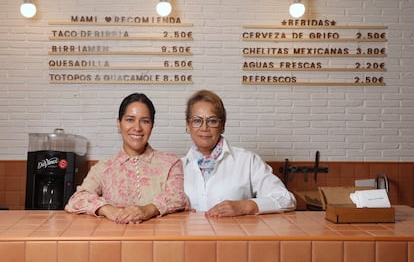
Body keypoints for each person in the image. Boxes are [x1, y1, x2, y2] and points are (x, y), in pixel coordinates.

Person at [65, 93, 188, 223]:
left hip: (159, 240)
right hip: (114, 239)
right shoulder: (103, 167)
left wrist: (148, 210)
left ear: (152, 126)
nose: (137, 128)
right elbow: (77, 199)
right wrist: (108, 210)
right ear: (119, 123)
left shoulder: (170, 162)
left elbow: (178, 197)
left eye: (145, 121)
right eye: (130, 119)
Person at [181, 89, 296, 217]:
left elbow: (285, 199)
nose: (204, 128)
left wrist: (245, 206)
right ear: (187, 125)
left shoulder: (247, 161)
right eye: (197, 121)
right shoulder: (177, 166)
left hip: (235, 236)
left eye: (212, 121)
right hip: (190, 237)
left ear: (222, 125)